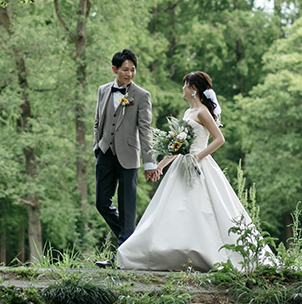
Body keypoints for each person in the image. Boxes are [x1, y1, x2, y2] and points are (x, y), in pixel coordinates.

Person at [115, 70, 275, 272]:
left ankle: (207, 253)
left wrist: (198, 157)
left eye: (185, 85)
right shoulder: (187, 113)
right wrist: (161, 166)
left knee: (203, 209)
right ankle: (173, 253)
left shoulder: (202, 112)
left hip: (199, 165)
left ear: (193, 89)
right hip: (182, 165)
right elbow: (178, 146)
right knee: (174, 210)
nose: (182, 89)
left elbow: (219, 139)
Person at [92, 49, 157, 268]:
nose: (130, 74)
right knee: (101, 202)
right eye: (125, 70)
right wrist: (97, 147)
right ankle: (131, 240)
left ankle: (121, 258)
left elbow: (145, 130)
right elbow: (97, 121)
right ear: (115, 70)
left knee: (128, 208)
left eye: (133, 70)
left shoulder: (141, 95)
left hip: (129, 157)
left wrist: (150, 163)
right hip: (105, 153)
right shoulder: (103, 91)